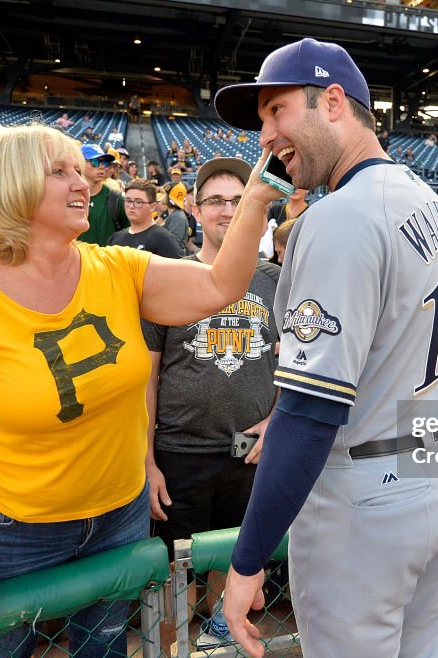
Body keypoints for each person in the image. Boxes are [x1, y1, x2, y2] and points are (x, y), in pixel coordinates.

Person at [0, 124, 269, 657]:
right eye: (59, 172)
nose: (82, 183)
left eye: (78, 171)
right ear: (10, 187)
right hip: (7, 530)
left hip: (119, 515)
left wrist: (257, 201)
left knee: (104, 650)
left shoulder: (118, 267)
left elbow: (221, 286)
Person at [213, 38, 438, 657]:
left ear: (332, 102)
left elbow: (309, 413)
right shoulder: (423, 195)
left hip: (372, 492)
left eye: (277, 111)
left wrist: (248, 558)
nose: (264, 137)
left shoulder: (338, 218)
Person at [144, 157, 279, 650]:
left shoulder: (274, 279)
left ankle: (222, 642)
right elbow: (148, 374)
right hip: (180, 452)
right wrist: (147, 457)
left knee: (234, 565)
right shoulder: (169, 275)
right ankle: (173, 648)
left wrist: (275, 419)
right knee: (172, 576)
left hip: (250, 451)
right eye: (216, 201)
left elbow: (299, 361)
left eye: (238, 201)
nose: (228, 210)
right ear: (195, 210)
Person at [108, 180, 182, 258]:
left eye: (138, 202)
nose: (131, 206)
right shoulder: (115, 238)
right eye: (128, 200)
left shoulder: (164, 239)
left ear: (152, 206)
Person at [77, 144, 126, 245]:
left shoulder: (116, 200)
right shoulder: (67, 197)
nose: (103, 166)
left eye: (105, 162)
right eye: (95, 162)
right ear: (80, 163)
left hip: (106, 260)